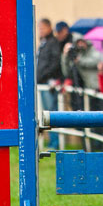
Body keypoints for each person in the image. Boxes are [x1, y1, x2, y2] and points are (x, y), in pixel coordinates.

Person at [36, 18, 62, 149]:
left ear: (49, 28)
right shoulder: (43, 43)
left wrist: (43, 76)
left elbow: (54, 63)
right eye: (39, 28)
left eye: (43, 28)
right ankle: (52, 141)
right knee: (46, 113)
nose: (41, 31)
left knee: (51, 113)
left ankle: (55, 143)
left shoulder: (53, 42)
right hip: (42, 82)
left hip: (48, 83)